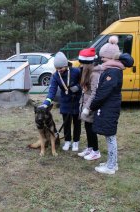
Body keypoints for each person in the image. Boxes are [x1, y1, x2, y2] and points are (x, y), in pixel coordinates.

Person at [90, 35, 133, 174]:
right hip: (109, 107)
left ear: (111, 58)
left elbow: (103, 92)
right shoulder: (112, 70)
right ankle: (111, 162)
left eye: (103, 57)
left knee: (110, 136)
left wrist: (93, 105)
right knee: (109, 136)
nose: (101, 59)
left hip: (109, 107)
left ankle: (111, 166)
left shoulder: (113, 72)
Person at [39, 52, 82, 152]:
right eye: (57, 68)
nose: (59, 70)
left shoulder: (76, 71)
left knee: (77, 123)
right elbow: (52, 91)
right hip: (65, 101)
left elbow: (83, 83)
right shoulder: (55, 76)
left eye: (61, 68)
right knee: (66, 122)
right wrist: (46, 103)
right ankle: (67, 141)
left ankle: (76, 142)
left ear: (66, 65)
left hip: (76, 100)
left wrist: (78, 87)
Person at [77, 48, 102, 160]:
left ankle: (96, 151)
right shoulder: (87, 71)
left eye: (82, 63)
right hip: (86, 103)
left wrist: (87, 108)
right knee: (87, 126)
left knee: (91, 128)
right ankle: (90, 147)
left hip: (91, 106)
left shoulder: (95, 74)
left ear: (88, 63)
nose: (80, 65)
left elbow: (94, 92)